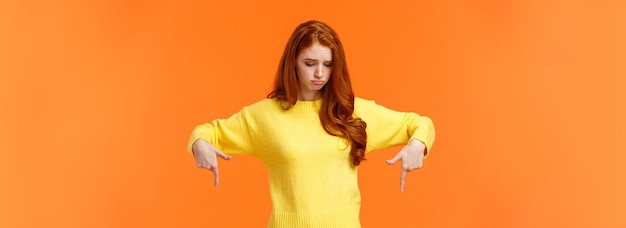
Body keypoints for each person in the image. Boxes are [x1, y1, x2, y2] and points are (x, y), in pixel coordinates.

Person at [187, 20, 435, 228]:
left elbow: (420, 123)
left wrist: (418, 144)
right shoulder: (264, 116)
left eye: (327, 65)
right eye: (310, 63)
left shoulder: (351, 111)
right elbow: (208, 132)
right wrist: (199, 144)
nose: (320, 74)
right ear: (293, 62)